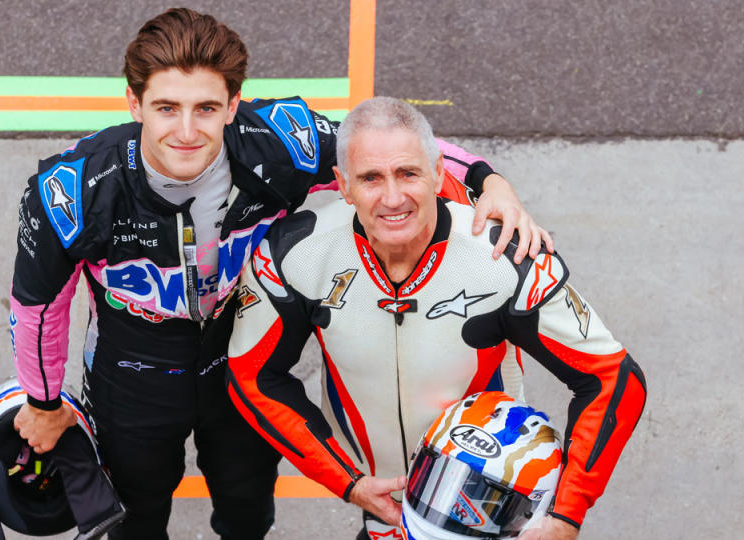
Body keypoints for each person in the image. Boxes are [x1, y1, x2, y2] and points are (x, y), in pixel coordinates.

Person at [9, 8, 550, 539]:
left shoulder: (277, 139)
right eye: (167, 108)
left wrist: (489, 179)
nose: (187, 131)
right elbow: (38, 309)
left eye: (206, 108)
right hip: (131, 373)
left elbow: (393, 152)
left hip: (242, 358)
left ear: (233, 104)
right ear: (135, 103)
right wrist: (44, 403)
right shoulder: (74, 190)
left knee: (246, 508)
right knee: (136, 515)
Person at [227, 96, 647, 539]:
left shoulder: (506, 257)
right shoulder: (295, 253)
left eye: (408, 173)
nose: (393, 197)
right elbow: (252, 375)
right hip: (383, 513)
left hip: (489, 518)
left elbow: (613, 379)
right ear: (343, 186)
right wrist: (346, 482)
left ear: (438, 172)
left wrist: (565, 516)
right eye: (370, 178)